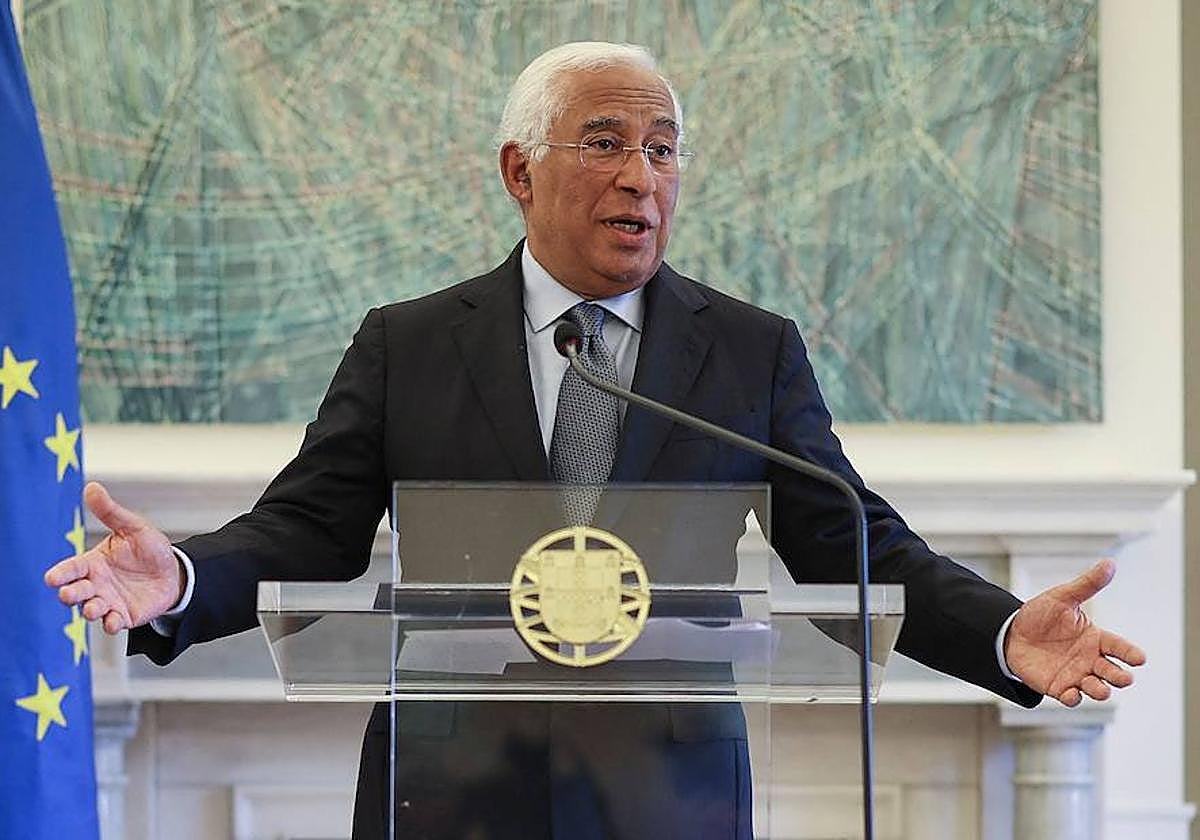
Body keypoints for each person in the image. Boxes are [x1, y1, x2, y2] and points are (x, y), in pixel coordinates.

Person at [45, 41, 1145, 840]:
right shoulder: (408, 344)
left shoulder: (749, 350)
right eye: (608, 144)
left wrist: (1004, 633)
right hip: (448, 792)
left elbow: (853, 543)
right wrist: (183, 576)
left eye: (663, 150)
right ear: (519, 172)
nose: (642, 177)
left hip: (669, 796)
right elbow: (306, 529)